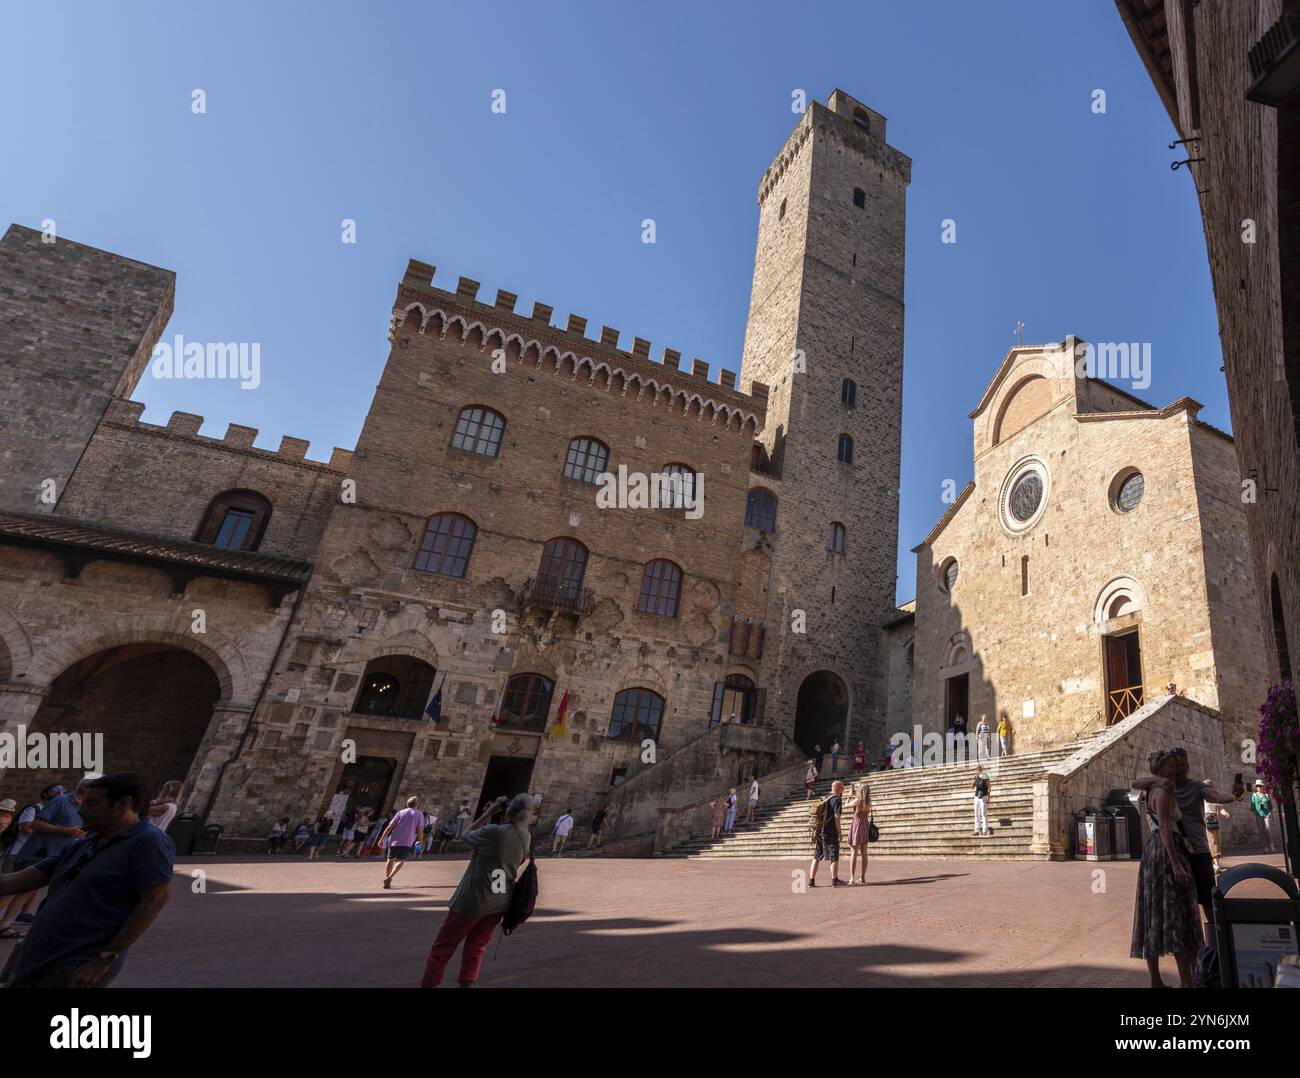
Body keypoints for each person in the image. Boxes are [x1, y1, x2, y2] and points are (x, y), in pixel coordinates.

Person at [0, 773, 174, 988]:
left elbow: (156, 900)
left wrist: (105, 958)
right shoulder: (85, 842)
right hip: (38, 953)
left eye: (91, 804)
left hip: (75, 964)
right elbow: (17, 881)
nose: (81, 811)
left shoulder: (148, 842)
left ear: (123, 804)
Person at [420, 793, 533, 988]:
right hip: (499, 901)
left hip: (472, 900)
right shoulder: (526, 836)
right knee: (476, 948)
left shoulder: (494, 832)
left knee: (442, 950)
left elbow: (463, 838)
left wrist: (488, 812)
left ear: (508, 811)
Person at [1132, 748, 1242, 941]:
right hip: (1178, 852)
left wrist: (1234, 796)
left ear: (1188, 766)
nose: (1180, 770)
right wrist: (1157, 779)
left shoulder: (1197, 787)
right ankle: (1193, 947)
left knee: (1208, 901)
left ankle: (1217, 944)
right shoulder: (1164, 787)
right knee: (1183, 904)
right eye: (1175, 766)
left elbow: (1216, 797)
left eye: (1182, 766)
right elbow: (1135, 783)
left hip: (1197, 851)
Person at [1130, 750, 1202, 988]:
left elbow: (1135, 783)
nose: (1175, 771)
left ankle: (1156, 981)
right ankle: (1187, 981)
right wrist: (1176, 863)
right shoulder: (1162, 792)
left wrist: (1156, 779)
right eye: (1170, 767)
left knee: (1153, 913)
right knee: (1177, 915)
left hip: (1152, 852)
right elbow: (1164, 827)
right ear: (1161, 770)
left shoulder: (1152, 788)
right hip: (1166, 850)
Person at [25, 778, 89, 864]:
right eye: (56, 790)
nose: (60, 792)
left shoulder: (86, 807)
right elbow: (35, 824)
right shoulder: (60, 800)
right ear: (84, 788)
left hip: (60, 859)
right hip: (37, 857)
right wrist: (66, 830)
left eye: (62, 790)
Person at [377, 796, 425, 889]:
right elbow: (420, 830)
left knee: (390, 859)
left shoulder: (400, 812)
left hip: (394, 839)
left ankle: (387, 878)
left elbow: (389, 827)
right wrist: (420, 841)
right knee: (401, 860)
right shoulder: (419, 814)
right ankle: (390, 877)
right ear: (416, 804)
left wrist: (381, 838)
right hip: (407, 840)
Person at [809, 780, 845, 887]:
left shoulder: (826, 798)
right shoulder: (837, 799)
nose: (844, 789)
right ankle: (834, 880)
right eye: (842, 787)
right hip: (830, 831)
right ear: (838, 788)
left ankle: (811, 880)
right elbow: (837, 816)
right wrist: (839, 831)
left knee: (817, 855)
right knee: (834, 855)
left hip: (820, 831)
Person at [1202, 781, 1230, 873]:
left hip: (1215, 819)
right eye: (1206, 786)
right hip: (1207, 819)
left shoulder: (1215, 797)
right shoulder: (1202, 797)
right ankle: (1215, 863)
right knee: (1212, 840)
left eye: (1209, 786)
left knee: (1217, 840)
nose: (1208, 788)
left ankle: (1215, 863)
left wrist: (1225, 813)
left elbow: (1220, 808)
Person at [848, 782, 872, 885]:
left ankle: (852, 878)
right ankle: (862, 877)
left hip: (857, 825)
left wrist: (849, 796)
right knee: (864, 853)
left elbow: (846, 806)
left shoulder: (858, 800)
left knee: (854, 853)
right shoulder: (868, 801)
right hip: (865, 825)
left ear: (860, 790)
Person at [1252, 780, 1277, 852]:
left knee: (1267, 829)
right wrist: (1252, 816)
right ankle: (1266, 847)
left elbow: (1270, 806)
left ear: (1262, 786)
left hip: (1266, 814)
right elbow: (1253, 806)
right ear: (1256, 787)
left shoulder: (1266, 795)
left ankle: (1271, 844)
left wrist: (1274, 814)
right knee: (1261, 831)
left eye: (1260, 786)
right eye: (1257, 786)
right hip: (1258, 814)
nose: (1259, 787)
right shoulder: (1254, 795)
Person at [973, 765, 991, 836]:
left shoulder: (985, 776)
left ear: (982, 769)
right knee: (976, 813)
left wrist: (989, 796)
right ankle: (977, 830)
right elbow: (972, 787)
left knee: (983, 813)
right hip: (977, 796)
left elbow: (989, 787)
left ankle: (984, 830)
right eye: (977, 769)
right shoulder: (976, 777)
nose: (978, 770)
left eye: (979, 769)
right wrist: (974, 781)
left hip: (983, 795)